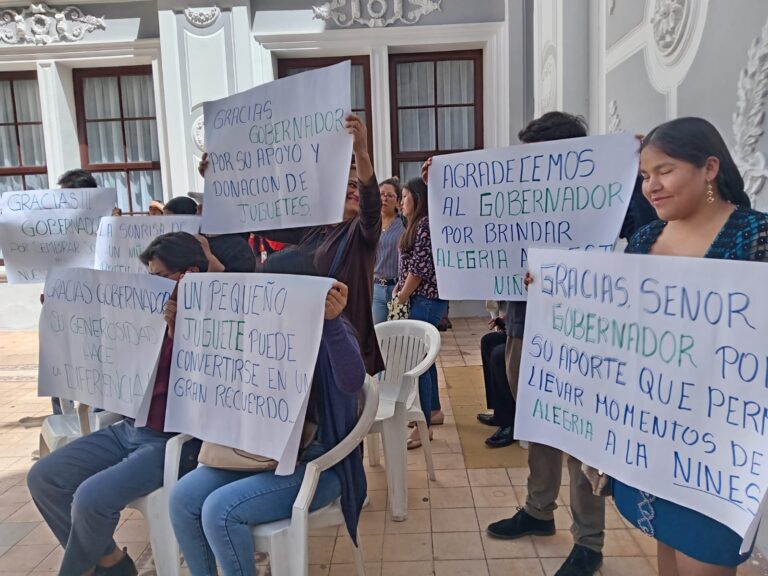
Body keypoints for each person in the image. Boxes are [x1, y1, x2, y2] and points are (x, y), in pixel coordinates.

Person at [613, 117, 768, 575]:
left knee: (703, 560)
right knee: (666, 548)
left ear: (709, 168)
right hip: (654, 435)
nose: (651, 187)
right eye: (643, 176)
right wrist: (551, 293)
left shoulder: (756, 238)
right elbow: (617, 329)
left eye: (664, 170)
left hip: (720, 451)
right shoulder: (642, 242)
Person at [27, 232, 208, 576]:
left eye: (158, 277)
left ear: (190, 275)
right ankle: (110, 561)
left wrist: (183, 332)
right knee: (45, 478)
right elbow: (98, 334)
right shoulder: (141, 313)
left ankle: (79, 570)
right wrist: (61, 310)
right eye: (148, 277)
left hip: (172, 442)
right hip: (129, 428)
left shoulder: (212, 322)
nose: (149, 286)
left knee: (92, 499)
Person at [169, 283, 366, 576]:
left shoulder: (330, 332)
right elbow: (212, 379)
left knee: (219, 512)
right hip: (258, 453)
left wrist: (332, 323)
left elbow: (353, 381)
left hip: (318, 464)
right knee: (182, 498)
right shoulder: (256, 332)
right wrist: (186, 332)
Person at [487, 112, 607, 576]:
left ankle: (589, 542)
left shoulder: (604, 198)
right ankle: (539, 511)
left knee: (578, 435)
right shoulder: (522, 200)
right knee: (537, 423)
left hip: (579, 336)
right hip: (523, 326)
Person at [200, 114, 384, 375]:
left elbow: (371, 203)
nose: (353, 190)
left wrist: (361, 152)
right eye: (346, 183)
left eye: (357, 184)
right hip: (308, 342)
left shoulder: (362, 232)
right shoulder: (315, 227)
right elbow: (257, 218)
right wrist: (216, 180)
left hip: (344, 343)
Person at [394, 178, 447, 449]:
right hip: (421, 299)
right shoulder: (415, 225)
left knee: (420, 365)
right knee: (427, 359)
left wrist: (401, 296)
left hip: (425, 300)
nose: (401, 202)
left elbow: (419, 269)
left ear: (417, 197)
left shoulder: (425, 225)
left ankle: (423, 426)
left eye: (404, 196)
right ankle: (434, 411)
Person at [477, 305, 517, 448]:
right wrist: (506, 320)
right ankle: (499, 412)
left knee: (500, 355)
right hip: (521, 329)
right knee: (488, 341)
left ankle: (509, 424)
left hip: (534, 336)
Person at [372, 177, 405, 324]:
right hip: (376, 287)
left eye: (390, 195)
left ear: (398, 201)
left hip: (397, 288)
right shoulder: (370, 224)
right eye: (381, 194)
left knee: (397, 336)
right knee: (378, 334)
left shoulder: (404, 224)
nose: (385, 198)